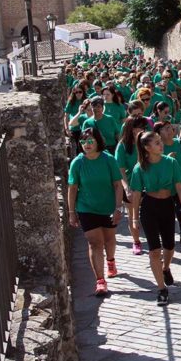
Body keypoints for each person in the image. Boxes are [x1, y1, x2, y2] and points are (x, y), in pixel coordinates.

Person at [129, 131, 181, 306]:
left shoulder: (171, 162)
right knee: (154, 250)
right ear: (147, 148)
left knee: (169, 246)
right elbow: (137, 193)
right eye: (156, 143)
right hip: (149, 208)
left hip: (167, 206)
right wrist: (134, 218)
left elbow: (179, 186)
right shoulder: (139, 168)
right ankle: (161, 289)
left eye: (160, 141)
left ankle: (166, 268)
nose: (161, 145)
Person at [68, 127, 124, 296]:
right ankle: (100, 280)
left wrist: (118, 208)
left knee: (109, 239)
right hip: (86, 207)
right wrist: (72, 212)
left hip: (107, 206)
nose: (87, 145)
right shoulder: (77, 163)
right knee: (94, 243)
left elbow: (117, 185)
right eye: (83, 142)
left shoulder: (109, 160)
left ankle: (111, 261)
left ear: (98, 141)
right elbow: (73, 188)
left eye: (90, 141)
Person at [154, 121, 181, 254]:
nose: (170, 130)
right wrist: (166, 159)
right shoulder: (157, 148)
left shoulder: (180, 143)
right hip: (164, 188)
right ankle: (166, 242)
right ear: (158, 133)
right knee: (165, 217)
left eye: (170, 128)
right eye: (166, 129)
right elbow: (154, 167)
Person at [115, 116, 149, 254]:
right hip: (131, 184)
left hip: (148, 184)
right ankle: (136, 241)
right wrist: (126, 187)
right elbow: (120, 170)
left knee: (148, 215)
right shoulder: (122, 146)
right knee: (132, 215)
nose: (143, 130)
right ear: (132, 129)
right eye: (140, 127)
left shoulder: (146, 142)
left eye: (144, 127)